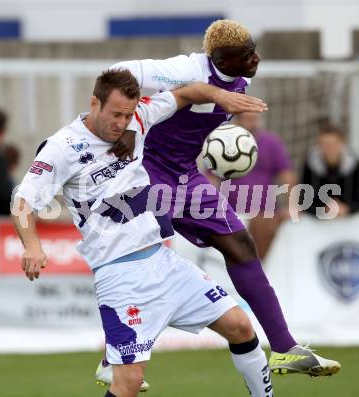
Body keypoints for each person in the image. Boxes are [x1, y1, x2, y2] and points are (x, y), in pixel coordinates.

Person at [98, 19, 340, 382]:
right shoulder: (184, 69)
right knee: (150, 257)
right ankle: (112, 358)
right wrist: (127, 122)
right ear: (222, 61)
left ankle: (285, 348)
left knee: (241, 245)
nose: (255, 59)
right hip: (145, 171)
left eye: (254, 50)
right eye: (246, 55)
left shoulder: (244, 78)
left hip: (186, 176)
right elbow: (117, 74)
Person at [12, 69, 274, 397]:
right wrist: (32, 246)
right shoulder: (63, 147)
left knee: (240, 325)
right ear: (94, 102)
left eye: (127, 115)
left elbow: (185, 94)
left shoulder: (139, 117)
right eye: (115, 114)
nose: (122, 123)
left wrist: (220, 96)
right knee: (129, 383)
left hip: (164, 261)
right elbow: (22, 200)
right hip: (120, 277)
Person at [208, 112, 297, 259]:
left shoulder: (271, 143)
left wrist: (292, 205)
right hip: (233, 213)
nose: (253, 123)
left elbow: (287, 175)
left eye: (256, 119)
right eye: (249, 119)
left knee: (260, 258)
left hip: (264, 213)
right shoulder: (223, 143)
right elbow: (210, 178)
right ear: (238, 120)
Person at [301, 123, 359, 217]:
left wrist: (346, 209)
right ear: (318, 145)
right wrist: (324, 209)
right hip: (318, 221)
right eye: (324, 145)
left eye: (333, 144)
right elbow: (304, 202)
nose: (329, 149)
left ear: (342, 144)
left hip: (346, 220)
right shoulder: (310, 164)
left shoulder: (354, 165)